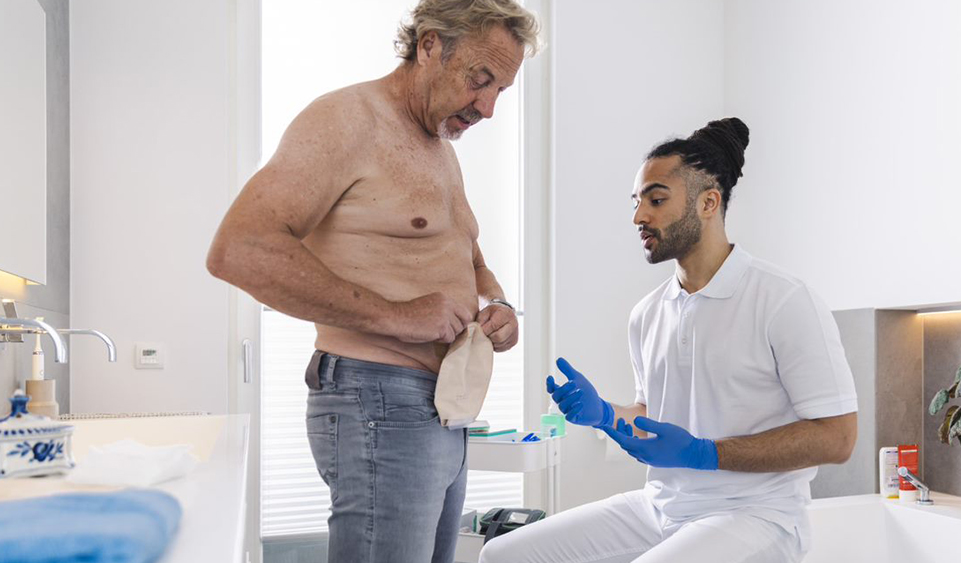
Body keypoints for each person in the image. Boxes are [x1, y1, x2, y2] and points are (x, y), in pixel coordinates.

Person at [206, 1, 540, 561]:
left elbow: (469, 259)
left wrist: (496, 302)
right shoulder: (347, 121)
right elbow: (240, 249)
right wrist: (399, 315)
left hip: (441, 407)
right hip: (378, 399)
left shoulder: (439, 148)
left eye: (499, 92)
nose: (486, 108)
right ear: (430, 45)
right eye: (479, 81)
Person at [480, 118, 858, 563]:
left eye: (656, 200)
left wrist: (705, 454)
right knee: (503, 555)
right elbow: (652, 417)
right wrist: (606, 414)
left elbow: (838, 438)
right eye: (637, 202)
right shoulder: (648, 313)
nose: (639, 216)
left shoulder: (782, 300)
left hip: (757, 516)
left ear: (708, 203)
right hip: (660, 507)